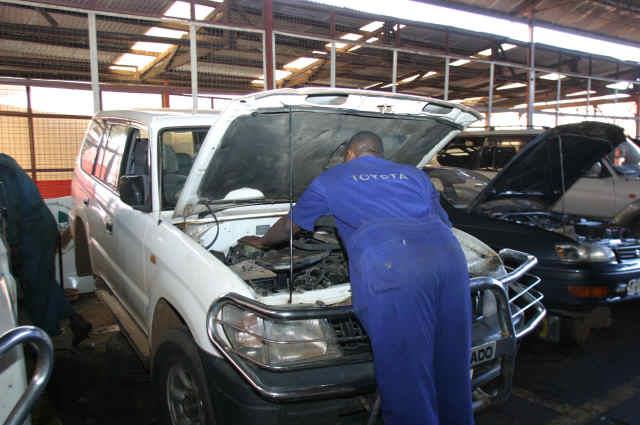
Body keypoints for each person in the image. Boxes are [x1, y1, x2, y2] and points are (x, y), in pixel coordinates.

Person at [240, 131, 473, 425]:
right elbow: (443, 223)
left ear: (349, 154)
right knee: (452, 364)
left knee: (407, 376)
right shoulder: (413, 175)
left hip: (393, 265)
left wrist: (263, 243)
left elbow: (290, 226)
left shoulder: (333, 177)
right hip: (449, 258)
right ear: (379, 153)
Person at [0, 153, 91, 345]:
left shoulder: (2, 171)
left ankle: (47, 335)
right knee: (44, 280)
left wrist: (14, 245)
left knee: (35, 285)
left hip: (30, 233)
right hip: (41, 227)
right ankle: (75, 320)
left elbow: (11, 210)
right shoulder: (5, 161)